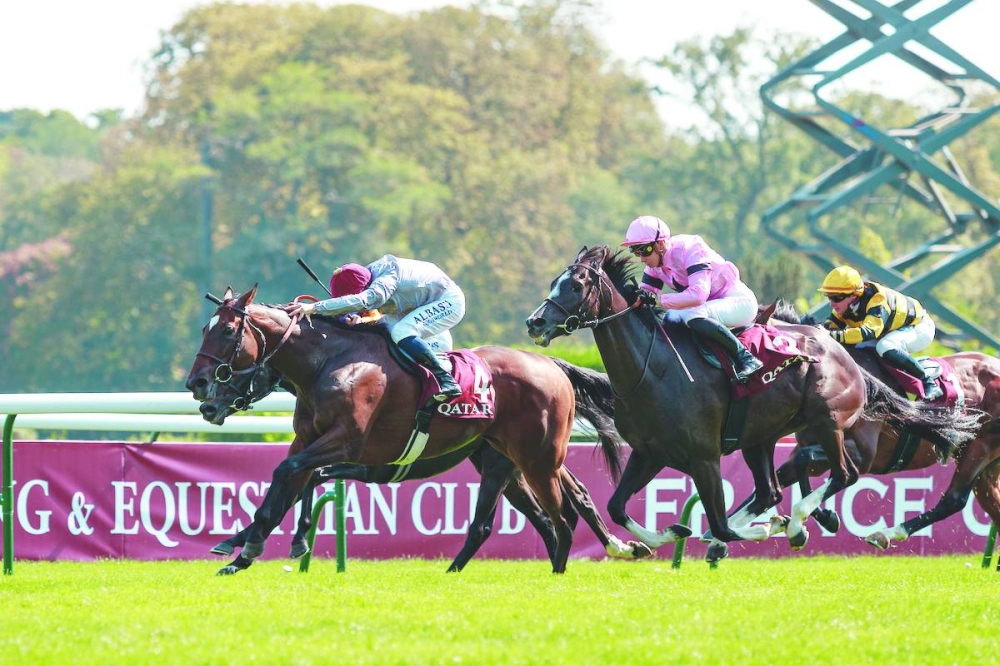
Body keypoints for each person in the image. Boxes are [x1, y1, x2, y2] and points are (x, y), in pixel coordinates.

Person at [288, 255, 465, 401]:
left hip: (446, 301)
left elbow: (364, 300)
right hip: (414, 303)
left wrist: (314, 308)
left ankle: (445, 379)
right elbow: (362, 306)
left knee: (401, 332)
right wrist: (358, 319)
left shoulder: (386, 280)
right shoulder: (362, 274)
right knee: (380, 334)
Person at [621, 215, 764, 383]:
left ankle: (746, 358)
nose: (642, 258)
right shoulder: (655, 265)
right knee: (669, 319)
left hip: (738, 301)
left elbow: (698, 295)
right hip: (709, 306)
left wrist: (658, 300)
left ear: (660, 244)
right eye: (636, 251)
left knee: (693, 314)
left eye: (644, 250)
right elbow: (645, 295)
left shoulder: (690, 248)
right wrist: (631, 295)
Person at [817, 265, 943, 401]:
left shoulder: (877, 301)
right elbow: (829, 327)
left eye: (836, 298)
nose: (831, 303)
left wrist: (832, 335)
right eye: (828, 296)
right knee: (856, 349)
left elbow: (868, 333)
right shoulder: (844, 305)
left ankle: (929, 382)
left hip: (918, 327)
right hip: (889, 331)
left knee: (885, 346)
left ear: (854, 295)